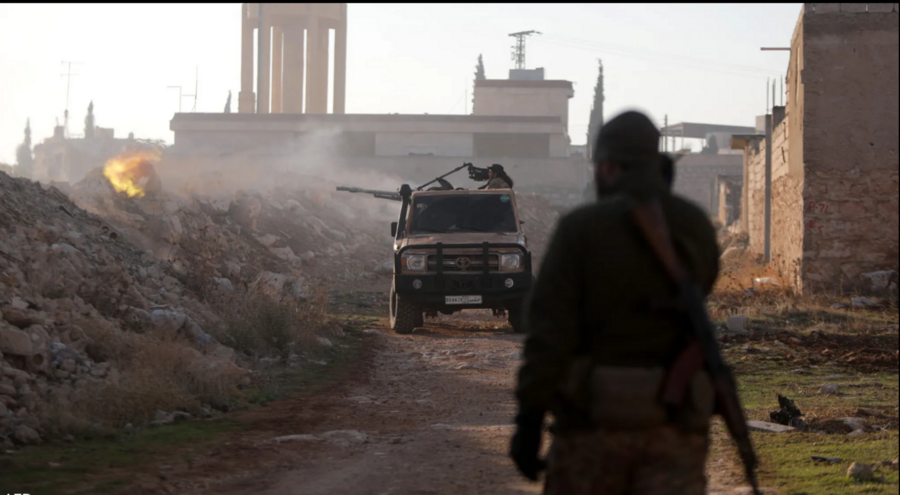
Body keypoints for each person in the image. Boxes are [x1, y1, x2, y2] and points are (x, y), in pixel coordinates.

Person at [509, 111, 721, 495]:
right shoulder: (695, 225)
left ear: (607, 167)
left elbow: (549, 333)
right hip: (674, 426)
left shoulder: (580, 228)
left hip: (592, 428)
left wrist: (529, 421)